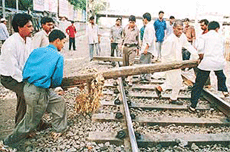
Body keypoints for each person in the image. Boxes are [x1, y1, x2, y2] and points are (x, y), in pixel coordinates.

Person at [3, 29, 67, 146]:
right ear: (57, 41)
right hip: (38, 92)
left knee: (58, 101)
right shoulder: (58, 57)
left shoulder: (36, 51)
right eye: (63, 42)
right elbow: (57, 80)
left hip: (28, 87)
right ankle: (7, 143)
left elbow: (25, 69)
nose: (63, 45)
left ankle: (59, 129)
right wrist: (53, 85)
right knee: (30, 122)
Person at [0, 13, 34, 127]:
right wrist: (27, 80)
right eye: (29, 26)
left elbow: (29, 61)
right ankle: (29, 125)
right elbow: (13, 69)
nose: (32, 29)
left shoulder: (28, 41)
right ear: (20, 27)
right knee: (30, 95)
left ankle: (21, 125)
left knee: (23, 98)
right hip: (9, 77)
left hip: (22, 74)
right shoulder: (10, 44)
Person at [189, 21, 229, 112]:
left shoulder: (204, 37)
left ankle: (193, 106)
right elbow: (223, 52)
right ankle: (224, 90)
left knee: (198, 85)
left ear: (208, 28)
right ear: (217, 29)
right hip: (219, 62)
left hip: (206, 62)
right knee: (220, 74)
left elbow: (200, 50)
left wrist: (200, 59)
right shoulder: (221, 38)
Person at [155, 20, 198, 105]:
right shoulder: (170, 40)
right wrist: (170, 65)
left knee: (173, 81)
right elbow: (164, 54)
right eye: (178, 29)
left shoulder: (182, 37)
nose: (180, 31)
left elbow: (187, 45)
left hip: (177, 64)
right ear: (173, 28)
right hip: (171, 64)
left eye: (182, 29)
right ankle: (172, 98)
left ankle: (160, 88)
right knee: (177, 81)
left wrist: (196, 54)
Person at [121, 15, 139, 86]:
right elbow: (123, 37)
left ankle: (130, 80)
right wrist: (121, 45)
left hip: (132, 48)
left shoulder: (137, 30)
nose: (132, 24)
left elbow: (138, 40)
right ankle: (125, 77)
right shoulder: (125, 28)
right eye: (131, 22)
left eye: (133, 22)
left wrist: (138, 49)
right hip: (125, 47)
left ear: (135, 23)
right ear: (129, 22)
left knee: (131, 64)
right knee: (125, 63)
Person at [194, 19, 211, 88]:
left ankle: (207, 83)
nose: (201, 27)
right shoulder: (202, 33)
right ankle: (203, 82)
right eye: (201, 25)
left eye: (203, 25)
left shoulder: (209, 34)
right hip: (201, 53)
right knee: (198, 67)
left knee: (205, 68)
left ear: (207, 25)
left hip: (206, 53)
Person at [139, 12, 155, 81]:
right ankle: (147, 77)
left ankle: (144, 76)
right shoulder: (149, 27)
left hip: (147, 49)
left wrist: (146, 48)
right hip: (148, 48)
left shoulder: (149, 27)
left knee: (143, 62)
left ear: (145, 19)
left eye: (143, 19)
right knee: (147, 63)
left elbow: (150, 39)